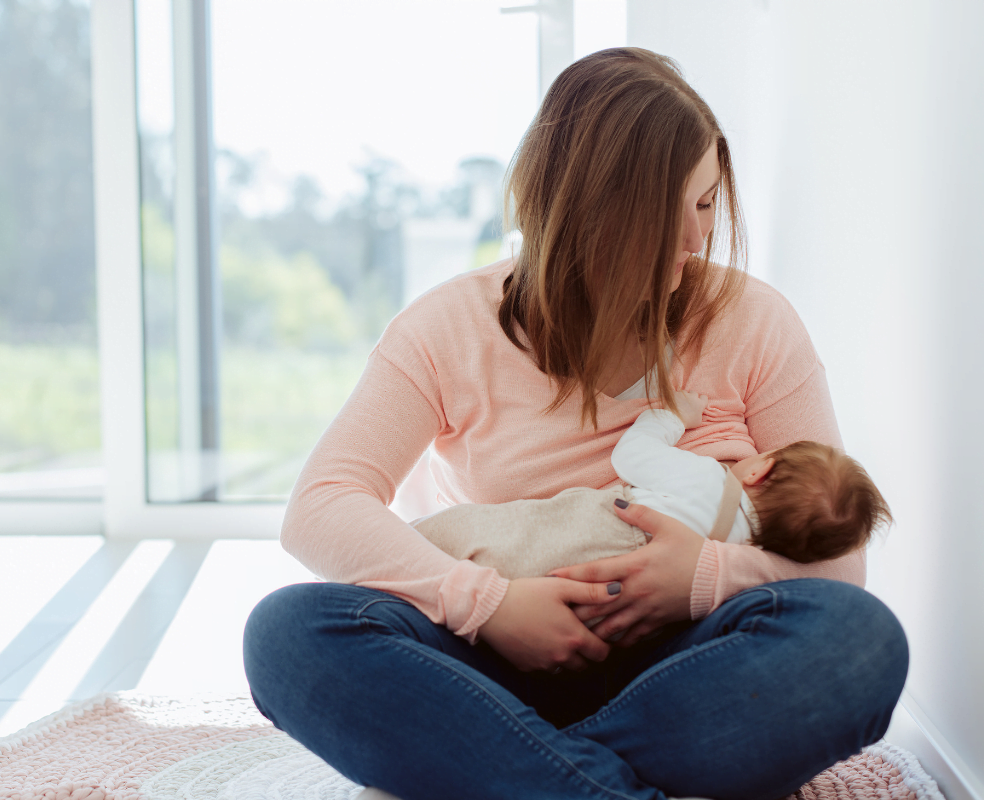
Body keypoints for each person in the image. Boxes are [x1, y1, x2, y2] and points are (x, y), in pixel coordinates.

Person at [243, 48, 908, 800]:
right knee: (288, 635)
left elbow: (841, 568)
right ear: (596, 207)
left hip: (688, 666)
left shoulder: (756, 323)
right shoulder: (445, 328)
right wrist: (490, 607)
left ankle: (512, 769)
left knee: (860, 643)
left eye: (708, 203)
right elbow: (322, 505)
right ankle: (569, 774)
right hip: (486, 663)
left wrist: (701, 578)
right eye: (677, 210)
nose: (699, 238)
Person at [414, 391, 894, 579]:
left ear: (757, 470)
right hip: (604, 595)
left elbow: (633, 456)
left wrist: (671, 416)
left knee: (471, 533)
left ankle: (409, 544)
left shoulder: (709, 479)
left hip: (582, 532)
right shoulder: (745, 555)